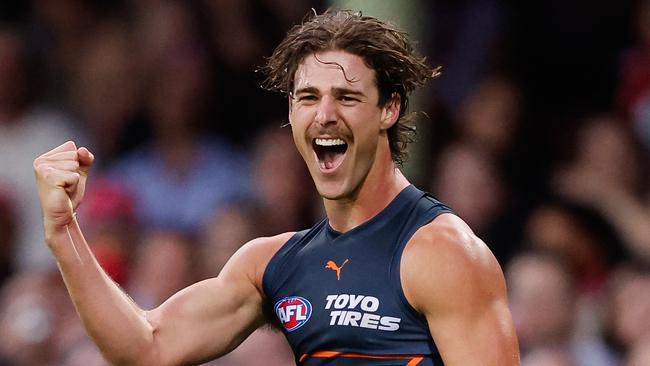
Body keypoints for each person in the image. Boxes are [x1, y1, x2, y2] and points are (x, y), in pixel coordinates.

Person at [33, 9, 519, 365]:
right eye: (307, 97)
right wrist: (63, 230)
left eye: (347, 97)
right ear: (291, 113)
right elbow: (147, 344)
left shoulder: (443, 252)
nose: (324, 113)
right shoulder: (274, 263)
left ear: (389, 109)